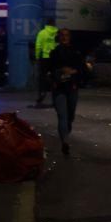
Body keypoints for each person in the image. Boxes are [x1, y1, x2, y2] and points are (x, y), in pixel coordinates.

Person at [49, 28, 90, 156]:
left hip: (72, 88)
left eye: (66, 35)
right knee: (62, 115)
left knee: (70, 116)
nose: (64, 37)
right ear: (58, 37)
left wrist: (73, 72)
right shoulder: (54, 53)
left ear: (70, 37)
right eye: (62, 35)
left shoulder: (76, 52)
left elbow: (83, 69)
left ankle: (66, 131)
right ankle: (65, 142)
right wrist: (60, 72)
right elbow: (50, 69)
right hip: (59, 88)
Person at [34, 18, 58, 105]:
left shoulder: (42, 33)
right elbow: (58, 45)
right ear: (54, 24)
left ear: (47, 24)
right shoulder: (57, 33)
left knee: (42, 77)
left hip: (44, 57)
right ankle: (56, 97)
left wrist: (37, 56)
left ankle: (42, 94)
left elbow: (38, 45)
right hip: (54, 58)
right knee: (55, 77)